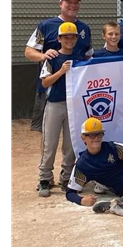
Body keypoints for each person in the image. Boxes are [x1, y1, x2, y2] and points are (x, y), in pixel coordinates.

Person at [24, 0, 94, 132]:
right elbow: (29, 52)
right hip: (50, 88)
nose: (73, 5)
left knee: (75, 131)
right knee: (46, 132)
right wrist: (43, 56)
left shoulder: (84, 28)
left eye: (76, 2)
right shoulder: (46, 25)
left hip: (76, 89)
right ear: (60, 4)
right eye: (69, 2)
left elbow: (88, 56)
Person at [36, 22, 87, 197]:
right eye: (66, 37)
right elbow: (45, 82)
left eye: (72, 36)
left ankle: (66, 177)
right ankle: (44, 178)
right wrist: (61, 71)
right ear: (59, 39)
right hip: (55, 103)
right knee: (49, 143)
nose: (69, 40)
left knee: (70, 144)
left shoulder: (80, 57)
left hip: (73, 105)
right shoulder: (53, 58)